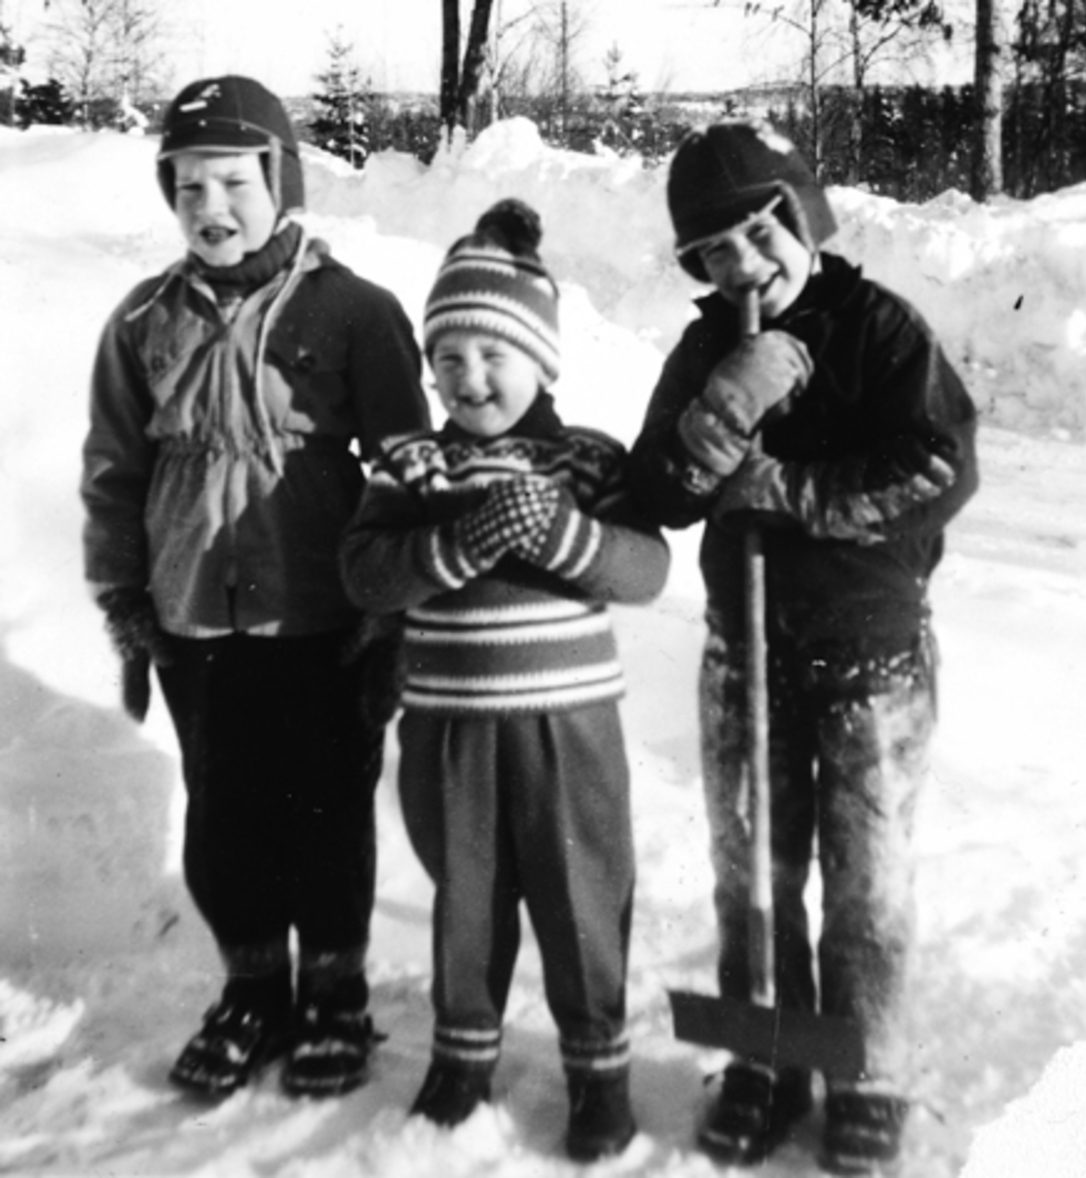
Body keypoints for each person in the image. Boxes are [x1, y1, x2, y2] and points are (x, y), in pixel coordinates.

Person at [629, 120, 979, 1175]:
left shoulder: (878, 329)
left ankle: (865, 1069)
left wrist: (790, 489)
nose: (746, 265)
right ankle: (769, 1058)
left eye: (762, 234)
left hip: (871, 661)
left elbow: (939, 466)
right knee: (755, 876)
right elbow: (655, 494)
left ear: (803, 217)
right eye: (715, 253)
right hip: (747, 657)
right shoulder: (704, 350)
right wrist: (722, 411)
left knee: (865, 887)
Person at [80, 75, 430, 1100]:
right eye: (186, 188)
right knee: (224, 815)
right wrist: (124, 598)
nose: (210, 207)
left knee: (326, 811)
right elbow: (114, 472)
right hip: (194, 616)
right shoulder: (143, 319)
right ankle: (251, 991)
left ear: (281, 179)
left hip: (323, 616)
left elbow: (407, 467)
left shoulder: (356, 311)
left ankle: (334, 992)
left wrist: (392, 610)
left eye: (233, 181)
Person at [339, 198, 670, 1161]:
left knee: (582, 898)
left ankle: (598, 1070)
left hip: (569, 730)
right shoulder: (417, 465)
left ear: (541, 359)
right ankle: (462, 1055)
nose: (469, 378)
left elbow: (645, 570)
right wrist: (456, 542)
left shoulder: (584, 459)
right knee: (468, 898)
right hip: (451, 730)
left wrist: (564, 537)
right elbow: (366, 572)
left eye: (492, 354)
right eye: (447, 360)